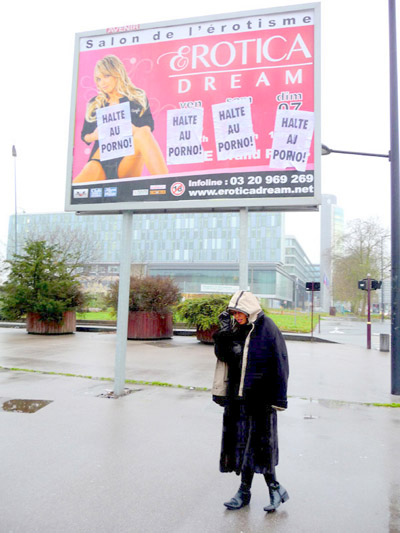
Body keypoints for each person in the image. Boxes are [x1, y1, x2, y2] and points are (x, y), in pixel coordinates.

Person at [212, 290, 289, 512]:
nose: (236, 317)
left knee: (261, 448)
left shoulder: (268, 328)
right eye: (234, 313)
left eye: (239, 313)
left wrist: (279, 399)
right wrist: (224, 333)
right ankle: (246, 491)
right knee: (241, 445)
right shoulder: (236, 329)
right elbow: (224, 356)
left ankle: (272, 488)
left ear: (250, 310)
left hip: (261, 400)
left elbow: (281, 364)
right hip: (237, 398)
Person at [74, 55, 168, 183]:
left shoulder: (137, 97)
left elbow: (147, 127)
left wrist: (133, 129)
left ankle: (167, 185)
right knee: (76, 192)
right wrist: (94, 136)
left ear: (117, 73)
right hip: (100, 161)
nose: (103, 83)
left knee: (143, 133)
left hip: (127, 159)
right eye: (99, 79)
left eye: (107, 76)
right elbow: (84, 135)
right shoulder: (95, 103)